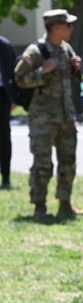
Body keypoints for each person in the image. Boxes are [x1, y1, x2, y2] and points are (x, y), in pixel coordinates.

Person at [13, 9, 83, 220]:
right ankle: (39, 207)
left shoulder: (66, 49)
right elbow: (19, 78)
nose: (71, 28)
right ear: (55, 27)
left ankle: (65, 204)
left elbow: (73, 79)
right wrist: (41, 71)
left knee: (68, 162)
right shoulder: (36, 51)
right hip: (43, 120)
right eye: (68, 25)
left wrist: (76, 68)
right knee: (42, 164)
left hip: (66, 117)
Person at [0, 34, 16, 189]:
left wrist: (15, 97)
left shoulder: (4, 45)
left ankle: (5, 177)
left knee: (4, 137)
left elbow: (15, 72)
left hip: (2, 95)